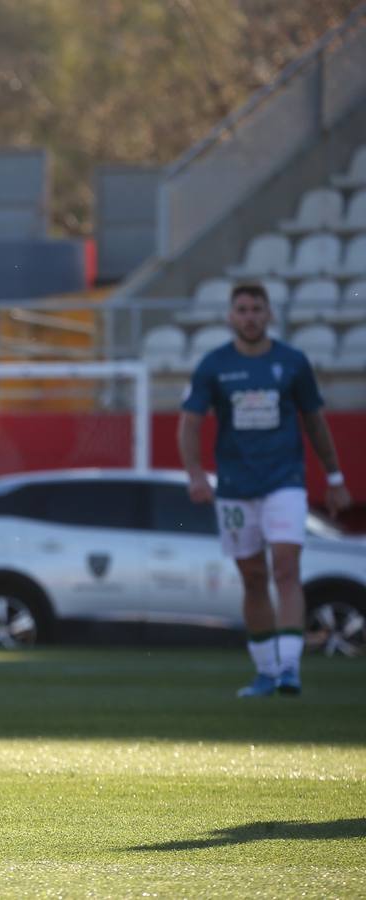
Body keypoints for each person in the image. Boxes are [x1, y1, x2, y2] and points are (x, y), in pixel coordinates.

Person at [178, 282, 351, 699]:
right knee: (252, 577)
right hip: (236, 488)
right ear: (230, 317)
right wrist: (196, 474)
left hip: (283, 482)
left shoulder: (291, 362)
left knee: (286, 568)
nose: (250, 316)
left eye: (257, 308)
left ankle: (290, 669)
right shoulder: (214, 365)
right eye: (242, 309)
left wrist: (334, 477)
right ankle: (265, 672)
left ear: (269, 314)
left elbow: (314, 420)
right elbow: (190, 421)